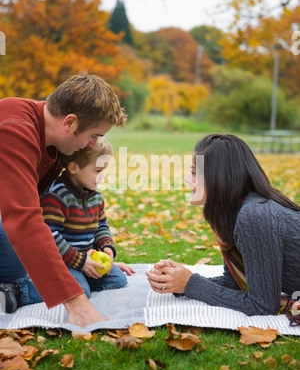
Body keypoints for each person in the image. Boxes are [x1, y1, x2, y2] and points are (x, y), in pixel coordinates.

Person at [0, 73, 127, 327]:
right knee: (18, 269)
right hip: (7, 218)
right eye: (93, 136)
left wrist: (92, 255)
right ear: (69, 122)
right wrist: (75, 301)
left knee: (29, 264)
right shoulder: (14, 128)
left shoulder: (58, 145)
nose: (93, 144)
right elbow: (24, 218)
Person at [146, 134, 300, 319]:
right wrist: (179, 281)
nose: (187, 179)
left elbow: (263, 305)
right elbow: (234, 283)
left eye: (194, 172)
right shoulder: (234, 213)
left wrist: (190, 284)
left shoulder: (254, 216)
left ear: (217, 177)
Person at [39, 138, 135, 299]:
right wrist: (80, 261)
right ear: (74, 168)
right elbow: (50, 235)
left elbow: (101, 225)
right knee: (80, 291)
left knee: (119, 280)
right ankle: (30, 287)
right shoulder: (57, 196)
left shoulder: (95, 196)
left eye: (104, 170)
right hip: (61, 261)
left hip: (86, 258)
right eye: (98, 171)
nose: (102, 176)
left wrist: (107, 247)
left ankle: (79, 277)